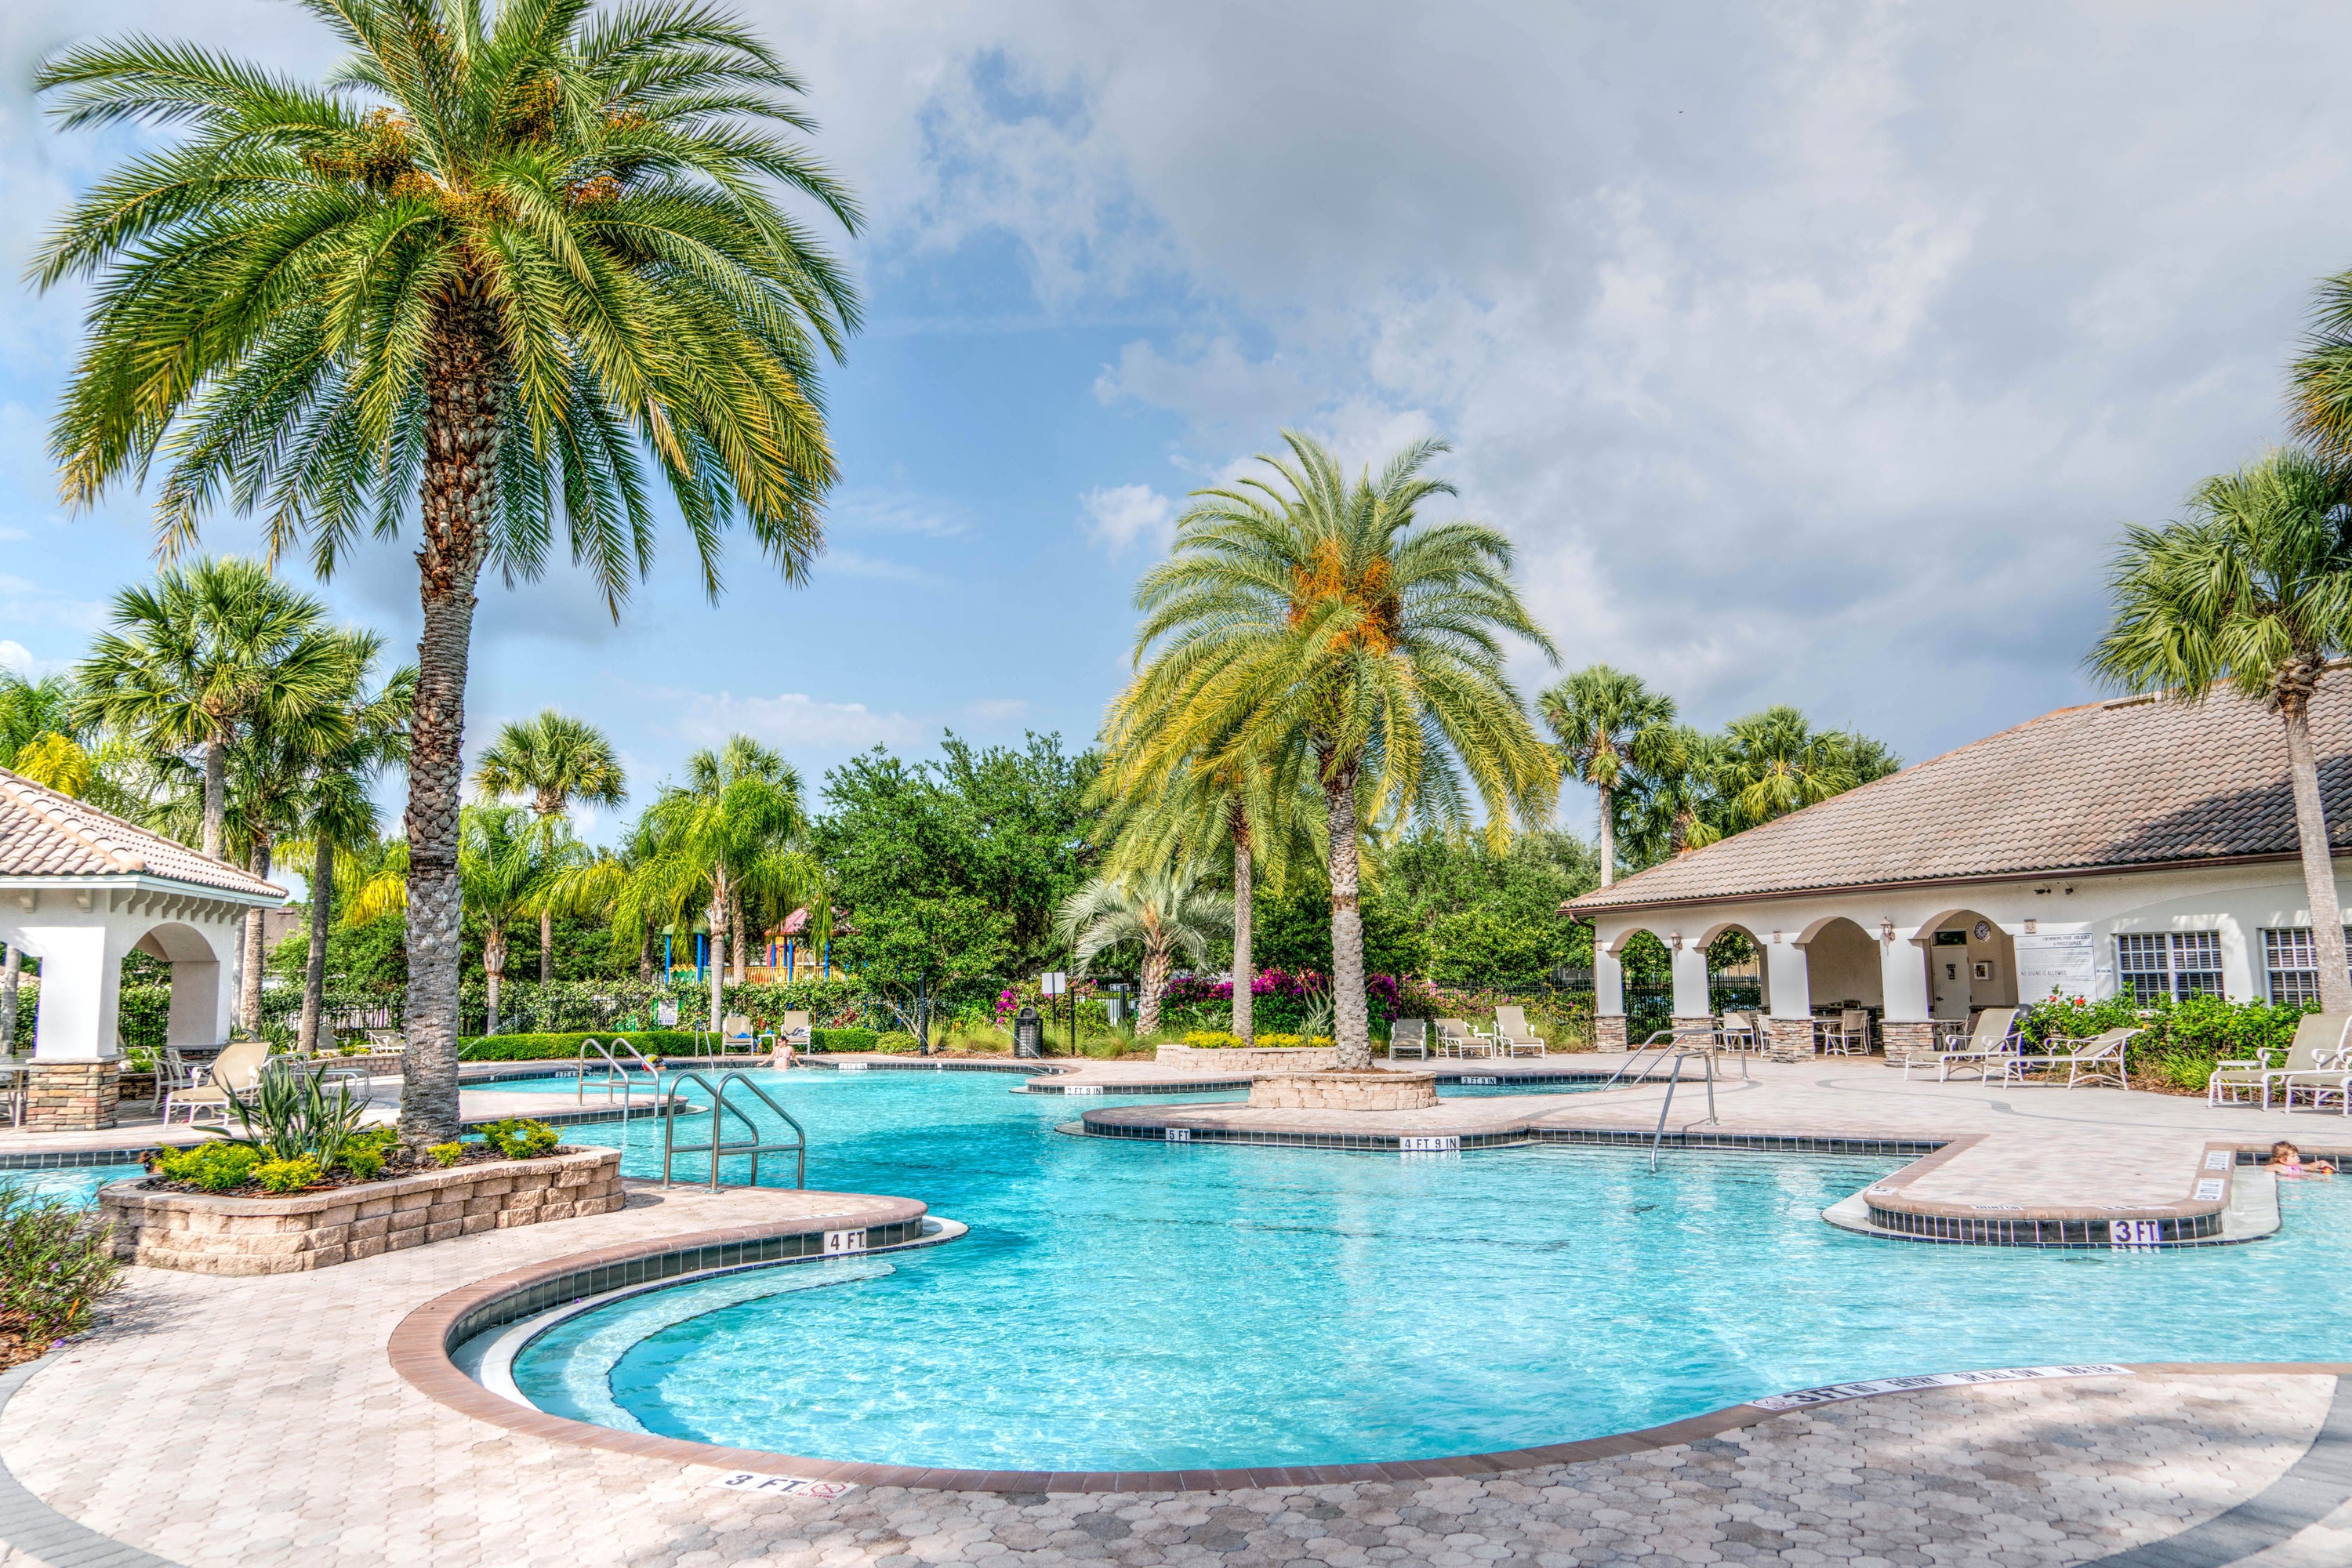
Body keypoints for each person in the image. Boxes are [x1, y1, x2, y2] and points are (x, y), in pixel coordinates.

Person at [2271, 1141, 2335, 1178]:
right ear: (2283, 1160)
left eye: (2297, 1155)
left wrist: (2321, 1163)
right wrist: (2283, 1171)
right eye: (2293, 1156)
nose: (2297, 1157)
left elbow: (2311, 1167)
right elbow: (2268, 1168)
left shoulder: (2297, 1166)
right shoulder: (2281, 1167)